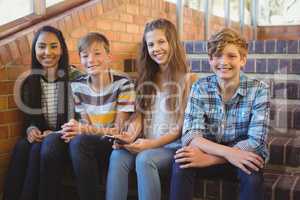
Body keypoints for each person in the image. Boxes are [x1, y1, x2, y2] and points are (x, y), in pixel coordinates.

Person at [170, 28, 270, 200]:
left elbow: (256, 141)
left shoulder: (259, 90)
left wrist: (211, 159)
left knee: (253, 173)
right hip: (212, 150)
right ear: (210, 60)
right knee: (181, 162)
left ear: (243, 60)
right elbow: (191, 135)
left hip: (242, 156)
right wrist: (227, 153)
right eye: (217, 55)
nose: (223, 62)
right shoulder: (200, 87)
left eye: (231, 56)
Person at [106, 18, 196, 200]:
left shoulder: (188, 79)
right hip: (146, 142)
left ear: (173, 43)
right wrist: (128, 137)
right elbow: (139, 117)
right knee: (117, 155)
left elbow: (180, 128)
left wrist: (151, 145)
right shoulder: (146, 78)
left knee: (145, 159)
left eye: (161, 42)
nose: (156, 48)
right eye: (151, 44)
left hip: (171, 147)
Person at [61, 32, 135, 200]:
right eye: (85, 56)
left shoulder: (123, 83)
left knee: (79, 142)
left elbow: (117, 131)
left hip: (115, 144)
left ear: (109, 56)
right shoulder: (77, 85)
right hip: (92, 141)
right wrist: (73, 128)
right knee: (71, 140)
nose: (90, 60)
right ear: (80, 59)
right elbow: (86, 124)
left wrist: (82, 129)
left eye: (97, 53)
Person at [3, 25, 71, 200]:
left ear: (62, 49)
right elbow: (29, 120)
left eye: (53, 46)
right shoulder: (30, 81)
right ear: (34, 50)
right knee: (23, 145)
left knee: (41, 148)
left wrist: (54, 133)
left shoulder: (74, 78)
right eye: (41, 46)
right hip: (43, 137)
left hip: (65, 137)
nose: (47, 52)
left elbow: (77, 118)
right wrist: (31, 130)